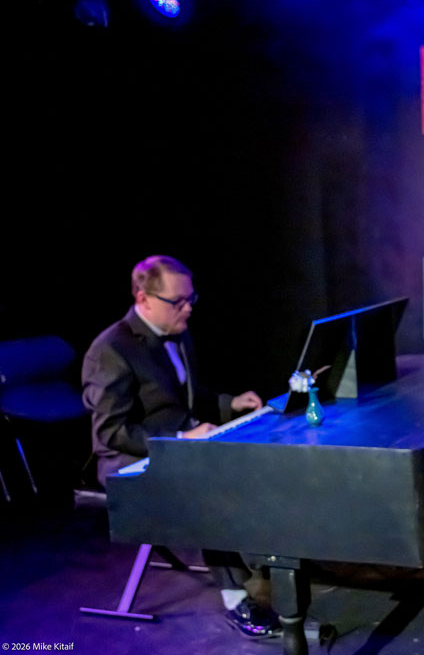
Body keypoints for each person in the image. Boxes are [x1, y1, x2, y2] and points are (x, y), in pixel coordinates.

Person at [81, 254, 279, 639]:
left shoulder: (179, 334)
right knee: (205, 487)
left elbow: (187, 398)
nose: (188, 308)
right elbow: (111, 432)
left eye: (191, 299)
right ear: (144, 299)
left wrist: (230, 404)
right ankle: (237, 598)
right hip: (130, 460)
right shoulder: (110, 349)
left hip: (181, 446)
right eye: (178, 302)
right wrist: (181, 441)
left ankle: (270, 567)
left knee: (251, 462)